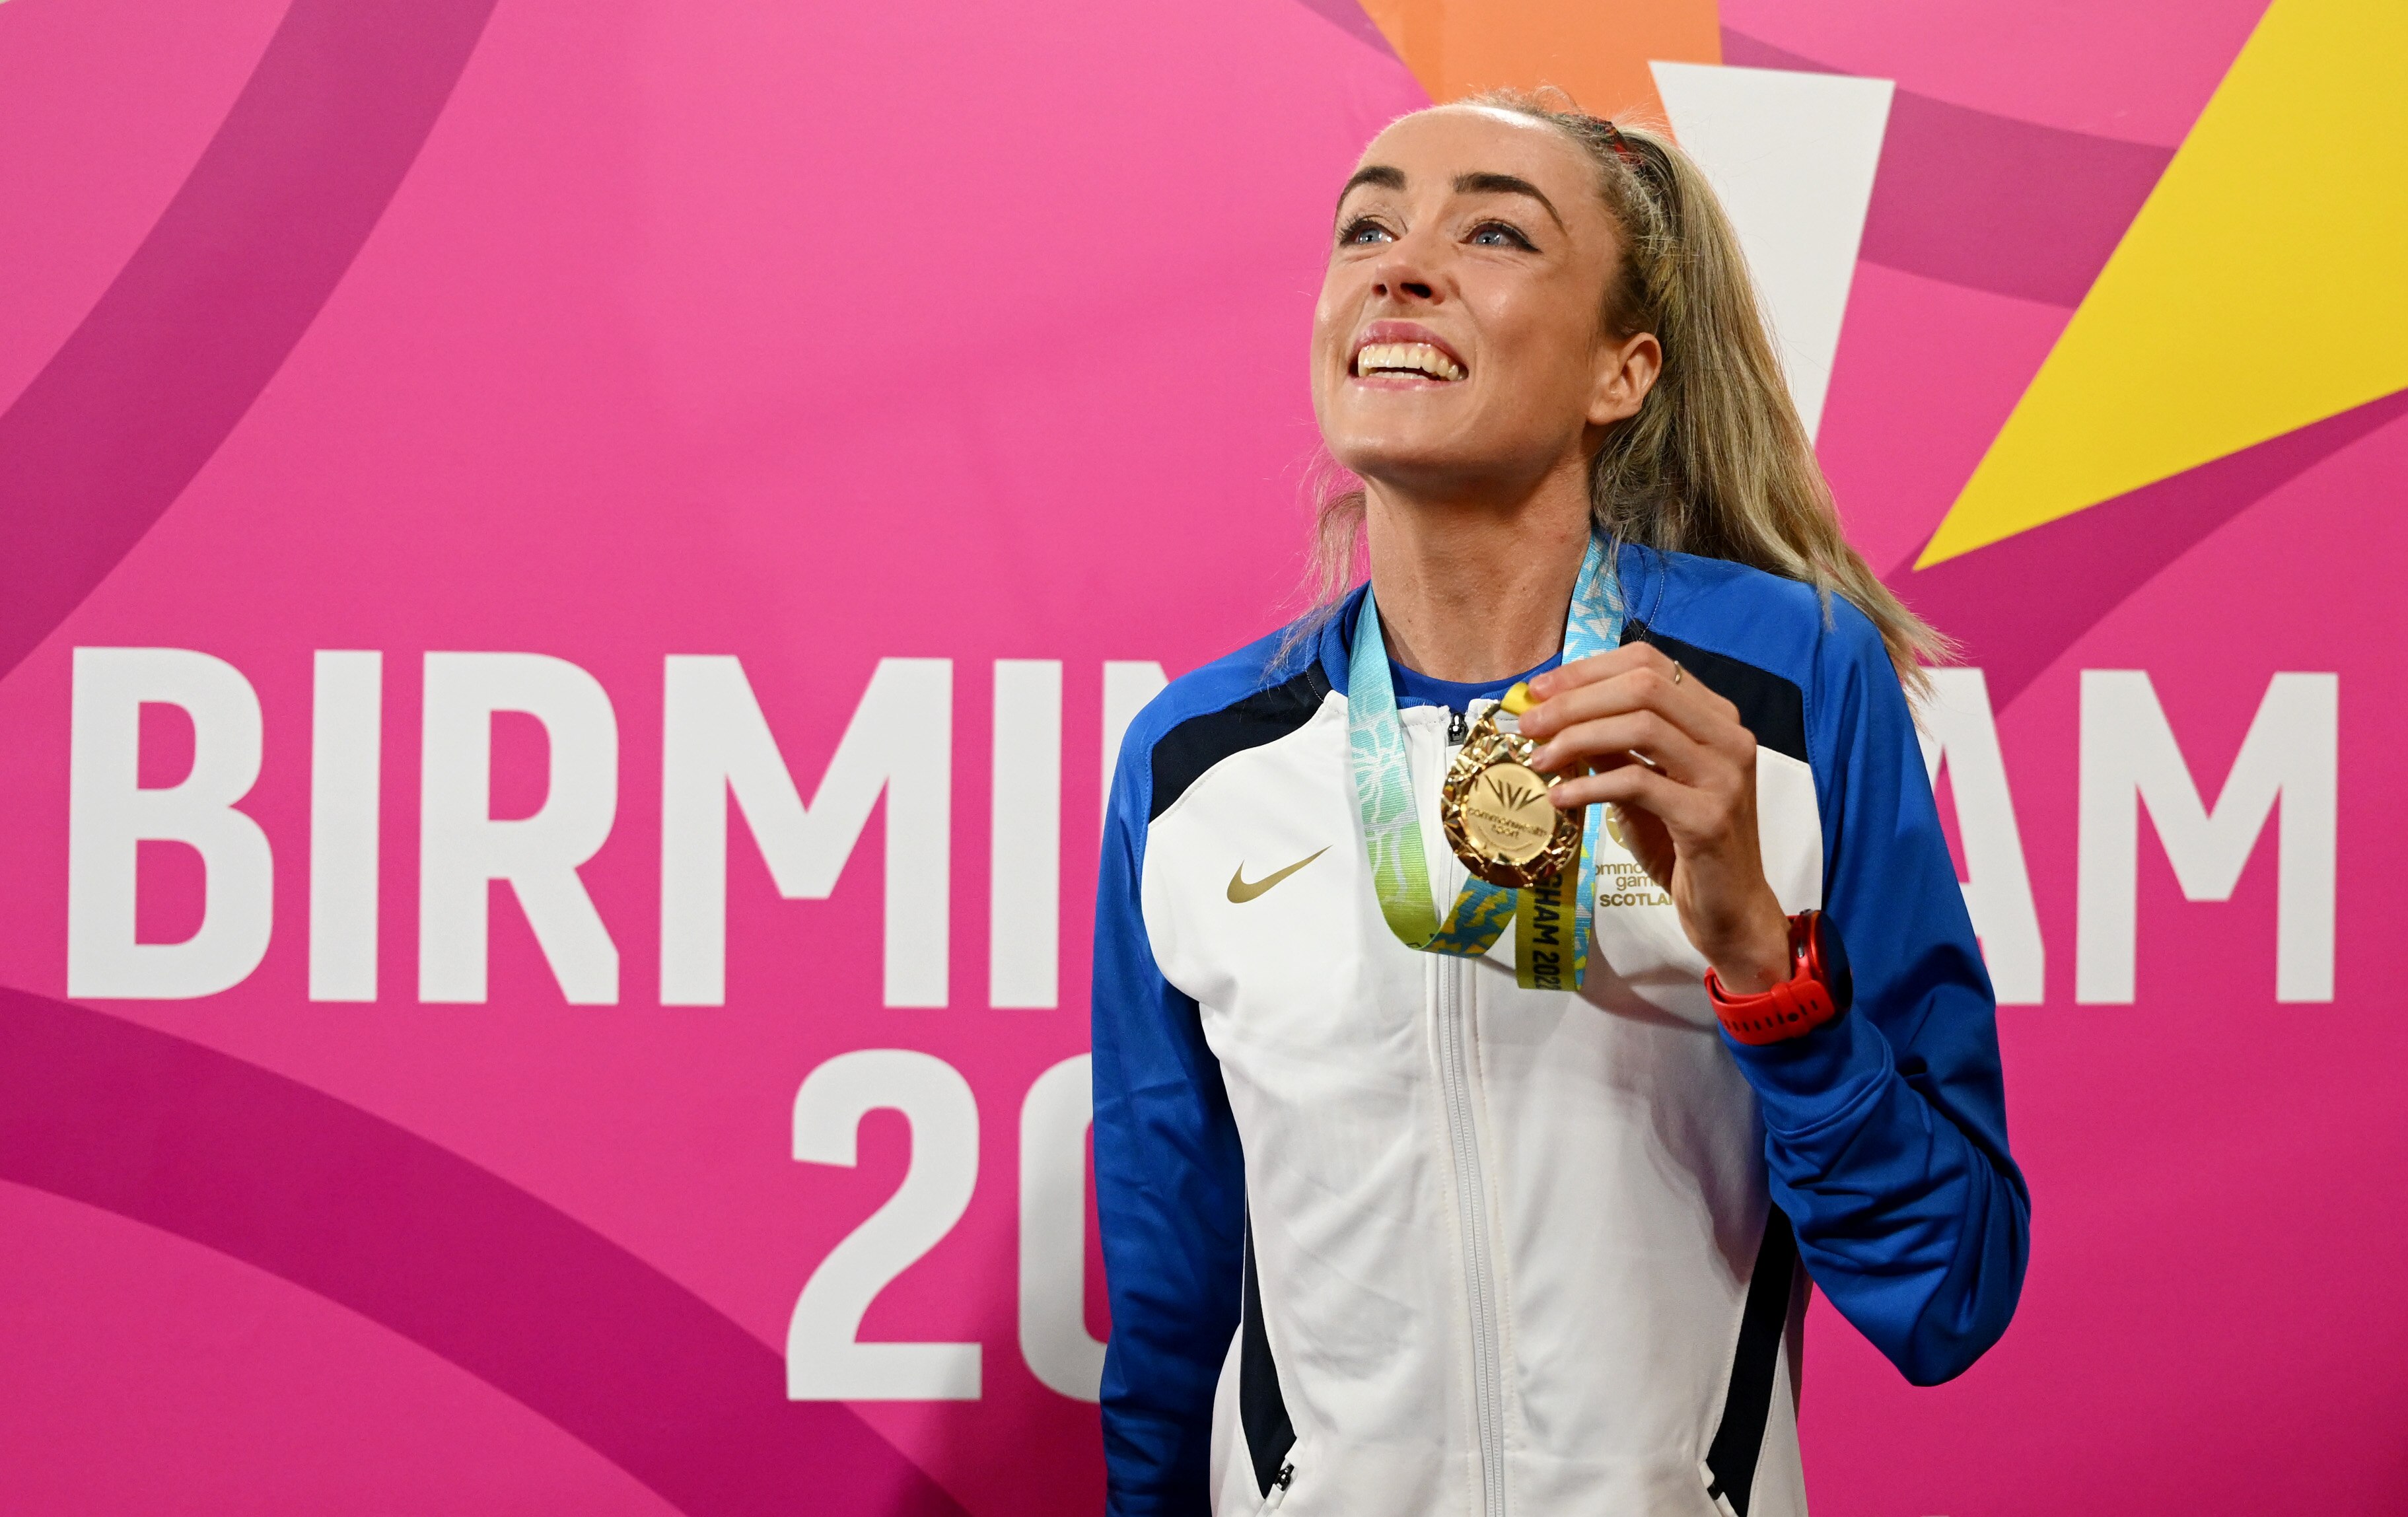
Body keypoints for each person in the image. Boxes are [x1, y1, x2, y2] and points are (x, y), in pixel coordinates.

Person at [1091, 95, 2028, 1517]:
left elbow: (1947, 1288)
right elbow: (1170, 1301)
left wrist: (1764, 973)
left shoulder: (1787, 687)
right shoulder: (1193, 764)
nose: (1398, 266)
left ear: (1620, 370)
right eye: (1366, 225)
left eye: (1489, 230)